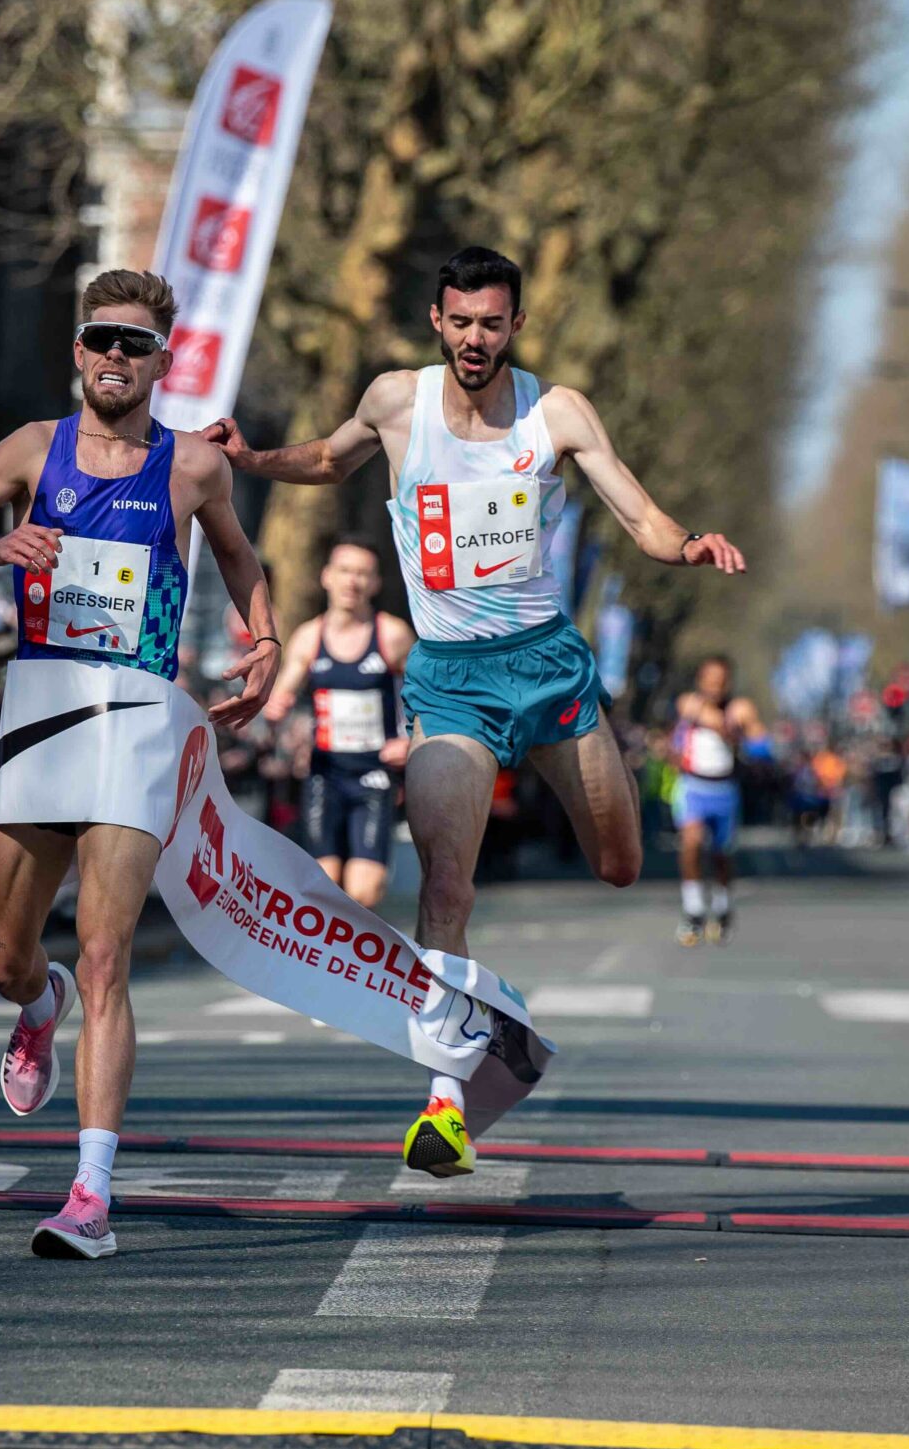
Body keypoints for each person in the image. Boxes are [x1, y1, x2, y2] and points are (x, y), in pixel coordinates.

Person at [205, 246, 743, 1180]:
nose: (475, 340)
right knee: (445, 888)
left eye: (492, 324)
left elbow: (641, 517)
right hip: (449, 680)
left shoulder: (557, 411)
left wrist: (689, 545)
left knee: (620, 866)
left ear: (516, 328)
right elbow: (331, 461)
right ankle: (447, 1106)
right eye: (460, 322)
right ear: (437, 321)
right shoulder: (395, 401)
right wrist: (251, 457)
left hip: (550, 672)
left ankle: (473, 1048)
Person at [0, 268, 279, 1260]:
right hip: (40, 708)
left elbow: (238, 555)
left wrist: (264, 638)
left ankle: (91, 1193)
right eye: (100, 338)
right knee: (1, 956)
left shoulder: (193, 467)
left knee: (107, 949)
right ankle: (35, 1003)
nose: (115, 357)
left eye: (134, 343)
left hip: (137, 717)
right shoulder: (32, 450)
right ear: (77, 350)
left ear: (163, 358)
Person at [262, 538, 412, 908]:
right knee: (323, 890)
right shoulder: (309, 637)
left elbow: (424, 697)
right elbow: (281, 699)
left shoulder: (391, 635)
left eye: (363, 574)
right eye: (345, 571)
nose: (353, 581)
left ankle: (360, 961)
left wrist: (411, 739)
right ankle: (329, 965)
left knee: (364, 892)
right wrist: (275, 710)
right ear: (326, 577)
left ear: (375, 583)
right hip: (324, 773)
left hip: (374, 773)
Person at [670, 655, 763, 944]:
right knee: (691, 843)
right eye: (710, 681)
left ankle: (722, 909)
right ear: (700, 681)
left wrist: (749, 732)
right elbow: (701, 717)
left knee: (722, 856)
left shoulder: (740, 708)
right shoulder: (689, 703)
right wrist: (726, 725)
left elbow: (761, 741)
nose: (715, 687)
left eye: (720, 682)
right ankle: (694, 910)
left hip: (725, 791)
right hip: (693, 787)